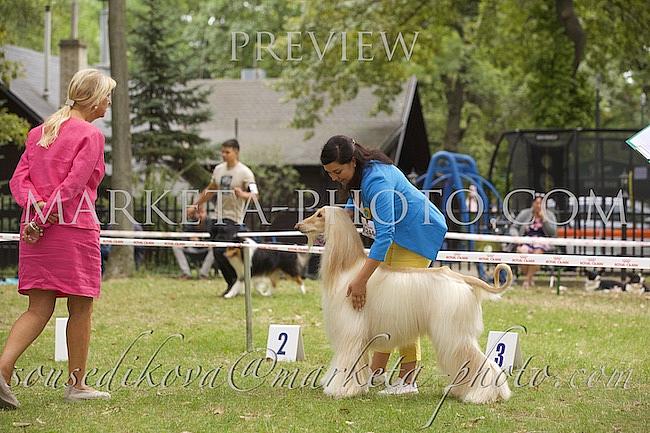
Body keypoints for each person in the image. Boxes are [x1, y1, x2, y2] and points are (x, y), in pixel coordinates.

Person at [0, 69, 115, 409]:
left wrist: (36, 213)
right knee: (81, 308)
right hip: (72, 228)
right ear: (94, 99)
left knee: (38, 308)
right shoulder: (90, 135)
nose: (109, 102)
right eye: (107, 96)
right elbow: (74, 185)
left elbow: (19, 181)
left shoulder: (39, 132)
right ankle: (77, 385)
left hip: (35, 230)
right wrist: (47, 215)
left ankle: (3, 371)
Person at [320, 135, 448, 395]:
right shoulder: (358, 175)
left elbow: (385, 235)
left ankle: (407, 381)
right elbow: (355, 201)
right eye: (329, 173)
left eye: (337, 172)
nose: (334, 178)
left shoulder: (377, 181)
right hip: (395, 236)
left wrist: (360, 280)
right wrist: (342, 218)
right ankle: (376, 373)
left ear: (352, 161)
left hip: (416, 236)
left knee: (403, 306)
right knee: (383, 305)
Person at [188, 139, 258, 296]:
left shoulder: (245, 172)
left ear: (236, 152)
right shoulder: (219, 170)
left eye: (227, 152)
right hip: (217, 217)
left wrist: (243, 194)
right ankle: (232, 283)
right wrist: (196, 205)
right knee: (216, 252)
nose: (224, 155)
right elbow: (210, 189)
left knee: (222, 250)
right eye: (222, 152)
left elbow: (255, 196)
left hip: (233, 218)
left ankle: (236, 282)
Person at [511, 194, 557, 288]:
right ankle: (530, 278)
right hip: (526, 240)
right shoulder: (525, 213)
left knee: (537, 254)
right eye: (537, 203)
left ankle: (527, 280)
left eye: (541, 203)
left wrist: (544, 220)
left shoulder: (549, 215)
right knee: (521, 252)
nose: (539, 206)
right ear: (533, 203)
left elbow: (552, 232)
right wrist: (517, 238)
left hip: (542, 242)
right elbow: (514, 227)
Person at [173, 205, 214, 279]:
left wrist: (201, 241)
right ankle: (186, 273)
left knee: (214, 248)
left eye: (202, 212)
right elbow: (184, 236)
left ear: (205, 213)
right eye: (198, 213)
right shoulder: (190, 222)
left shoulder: (210, 223)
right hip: (192, 247)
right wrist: (189, 240)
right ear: (195, 214)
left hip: (205, 248)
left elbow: (212, 238)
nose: (200, 215)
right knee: (176, 246)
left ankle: (203, 274)